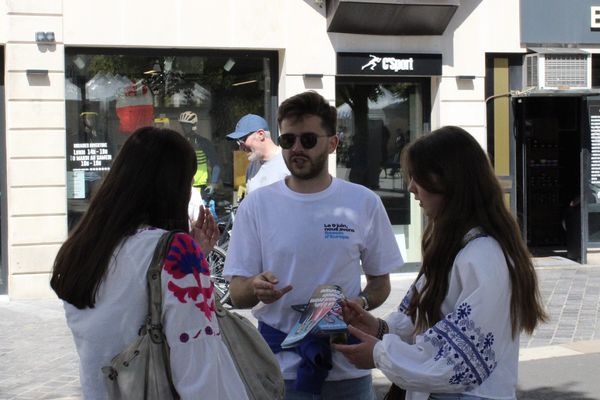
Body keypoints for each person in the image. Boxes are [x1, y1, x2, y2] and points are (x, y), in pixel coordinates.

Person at [334, 126, 548, 400]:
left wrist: (379, 353)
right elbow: (427, 325)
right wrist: (378, 328)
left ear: (448, 180)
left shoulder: (484, 255)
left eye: (417, 177)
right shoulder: (459, 246)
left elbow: (458, 361)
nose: (411, 188)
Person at [223, 91, 404, 399]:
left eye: (307, 140)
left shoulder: (363, 202)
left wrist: (357, 304)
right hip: (277, 372)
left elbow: (380, 284)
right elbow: (238, 295)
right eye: (288, 139)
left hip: (348, 367)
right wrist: (255, 286)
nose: (296, 148)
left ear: (332, 143)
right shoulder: (258, 205)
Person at [50, 126, 248, 400]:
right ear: (174, 186)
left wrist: (194, 256)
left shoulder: (83, 249)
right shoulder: (175, 252)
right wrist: (189, 259)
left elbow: (127, 311)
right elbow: (200, 369)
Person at [227, 113, 290, 194]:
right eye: (238, 142)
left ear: (261, 134)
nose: (241, 148)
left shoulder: (288, 163)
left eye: (242, 140)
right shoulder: (251, 168)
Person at [179, 111, 221, 197]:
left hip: (201, 187)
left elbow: (216, 163)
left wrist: (213, 183)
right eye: (182, 124)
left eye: (187, 125)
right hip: (183, 187)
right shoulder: (179, 142)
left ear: (193, 126)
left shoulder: (204, 143)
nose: (184, 127)